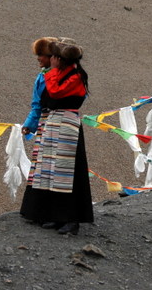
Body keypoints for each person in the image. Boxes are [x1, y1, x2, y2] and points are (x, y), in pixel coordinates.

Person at [20, 38, 93, 235]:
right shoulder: (60, 73)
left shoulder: (76, 76)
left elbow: (56, 92)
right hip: (54, 123)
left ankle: (71, 219)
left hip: (67, 124)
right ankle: (55, 215)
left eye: (54, 56)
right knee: (52, 171)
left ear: (60, 59)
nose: (51, 59)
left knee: (66, 173)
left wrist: (51, 72)